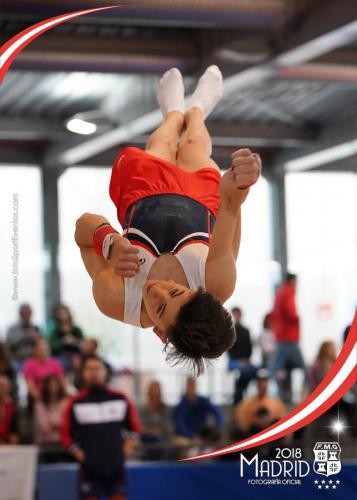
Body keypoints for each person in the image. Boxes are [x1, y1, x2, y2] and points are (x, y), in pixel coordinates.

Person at [75, 65, 261, 375]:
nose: (158, 290)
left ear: (160, 332)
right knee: (193, 145)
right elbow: (230, 203)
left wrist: (109, 243)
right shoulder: (217, 283)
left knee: (161, 144)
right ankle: (199, 108)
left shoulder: (118, 299)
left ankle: (173, 111)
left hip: (141, 195)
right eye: (176, 292)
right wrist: (243, 179)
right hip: (201, 198)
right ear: (199, 292)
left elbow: (82, 229)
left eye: (159, 308)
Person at [62, 355, 141, 500]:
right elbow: (67, 435)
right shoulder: (75, 402)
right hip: (89, 470)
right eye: (89, 369)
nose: (94, 372)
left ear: (105, 372)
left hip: (116, 469)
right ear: (83, 373)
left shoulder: (121, 398)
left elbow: (134, 429)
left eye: (97, 368)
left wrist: (127, 447)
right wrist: (80, 455)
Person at [269, 273, 305, 403]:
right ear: (292, 281)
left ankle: (285, 395)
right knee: (302, 367)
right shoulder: (288, 293)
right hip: (289, 337)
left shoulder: (279, 293)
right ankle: (306, 394)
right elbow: (291, 314)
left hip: (282, 336)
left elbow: (273, 315)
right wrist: (297, 318)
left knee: (285, 368)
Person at [173, 377, 224, 444]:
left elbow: (218, 413)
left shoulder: (203, 401)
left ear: (196, 386)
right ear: (186, 387)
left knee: (219, 441)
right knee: (182, 442)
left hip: (203, 434)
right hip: (186, 437)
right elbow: (180, 425)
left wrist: (217, 427)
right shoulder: (180, 406)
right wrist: (192, 436)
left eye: (193, 385)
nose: (192, 387)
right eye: (189, 385)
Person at [235, 369, 285, 436]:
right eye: (260, 382)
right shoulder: (246, 404)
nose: (262, 384)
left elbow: (282, 421)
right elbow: (242, 424)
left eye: (264, 382)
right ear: (256, 384)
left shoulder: (276, 403)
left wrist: (268, 422)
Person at [227, 307, 256, 403]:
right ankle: (239, 393)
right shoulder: (230, 331)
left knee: (254, 370)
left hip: (245, 361)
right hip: (234, 361)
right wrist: (240, 359)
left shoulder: (246, 331)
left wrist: (246, 359)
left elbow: (249, 347)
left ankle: (239, 391)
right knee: (245, 370)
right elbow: (229, 350)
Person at [139, 380, 172, 460]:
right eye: (152, 390)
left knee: (159, 441)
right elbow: (140, 428)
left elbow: (168, 427)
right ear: (149, 392)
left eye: (157, 390)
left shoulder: (166, 409)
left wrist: (157, 431)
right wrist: (153, 431)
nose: (155, 393)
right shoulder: (142, 409)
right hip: (146, 439)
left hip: (162, 439)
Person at [46, 304, 84, 370]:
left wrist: (75, 341)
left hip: (76, 355)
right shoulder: (54, 330)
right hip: (60, 356)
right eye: (61, 313)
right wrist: (63, 341)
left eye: (65, 313)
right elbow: (51, 346)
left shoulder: (76, 329)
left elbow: (83, 344)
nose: (63, 316)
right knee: (62, 363)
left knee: (80, 362)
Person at [34, 375, 68, 445]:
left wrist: (56, 425)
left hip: (64, 441)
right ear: (46, 387)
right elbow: (44, 426)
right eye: (50, 386)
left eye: (56, 385)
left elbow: (67, 424)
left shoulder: (66, 402)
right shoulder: (40, 404)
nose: (53, 389)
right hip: (45, 441)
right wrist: (59, 425)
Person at [6, 303, 41, 368]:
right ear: (20, 314)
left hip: (34, 359)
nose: (27, 315)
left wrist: (36, 339)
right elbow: (9, 343)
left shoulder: (36, 327)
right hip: (17, 359)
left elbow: (42, 343)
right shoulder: (12, 328)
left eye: (29, 313)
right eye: (25, 313)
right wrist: (24, 335)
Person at [0, 375, 19, 444]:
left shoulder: (12, 406)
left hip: (7, 443)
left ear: (8, 389)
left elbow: (14, 429)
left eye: (2, 386)